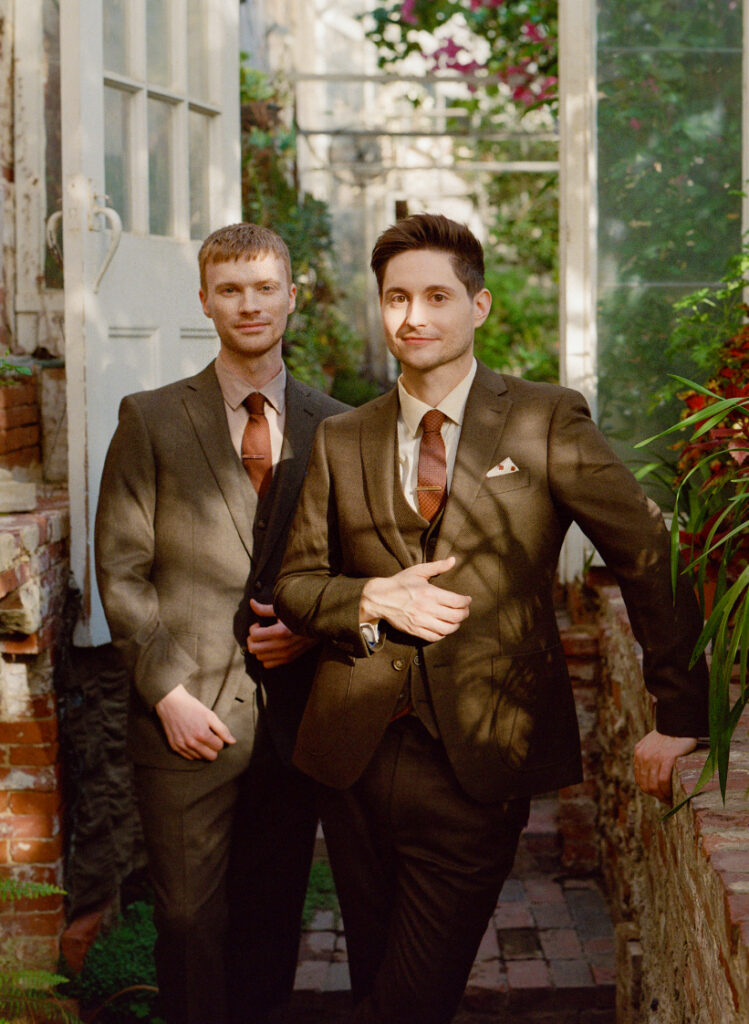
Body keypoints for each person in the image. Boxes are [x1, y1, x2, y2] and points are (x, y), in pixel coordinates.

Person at [273, 213, 709, 1024]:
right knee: (377, 981)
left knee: (407, 1000)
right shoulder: (341, 436)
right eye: (396, 298)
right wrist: (367, 597)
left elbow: (648, 549)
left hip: (479, 759)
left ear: (478, 306)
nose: (414, 316)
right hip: (353, 757)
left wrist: (679, 711)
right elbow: (296, 583)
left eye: (436, 295)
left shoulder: (544, 418)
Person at [94, 222, 347, 1024]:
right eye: (230, 289)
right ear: (204, 300)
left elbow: (355, 564)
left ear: (290, 300)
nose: (248, 304)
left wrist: (311, 630)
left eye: (264, 287)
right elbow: (122, 568)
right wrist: (164, 690)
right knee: (188, 920)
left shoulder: (337, 425)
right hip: (187, 716)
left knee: (272, 918)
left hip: (294, 716)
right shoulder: (151, 419)